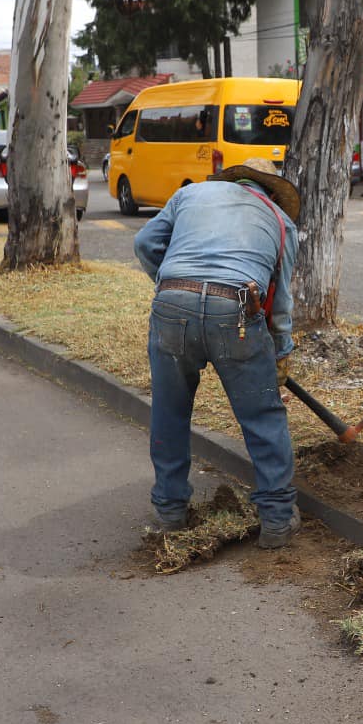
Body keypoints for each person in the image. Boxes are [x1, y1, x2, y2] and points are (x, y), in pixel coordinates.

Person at [133, 157, 303, 549]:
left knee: (170, 411)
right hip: (239, 310)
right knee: (262, 415)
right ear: (270, 189)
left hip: (172, 304)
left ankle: (171, 513)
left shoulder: (190, 193)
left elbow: (144, 244)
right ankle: (277, 519)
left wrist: (173, 285)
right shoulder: (281, 221)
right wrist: (280, 353)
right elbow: (281, 302)